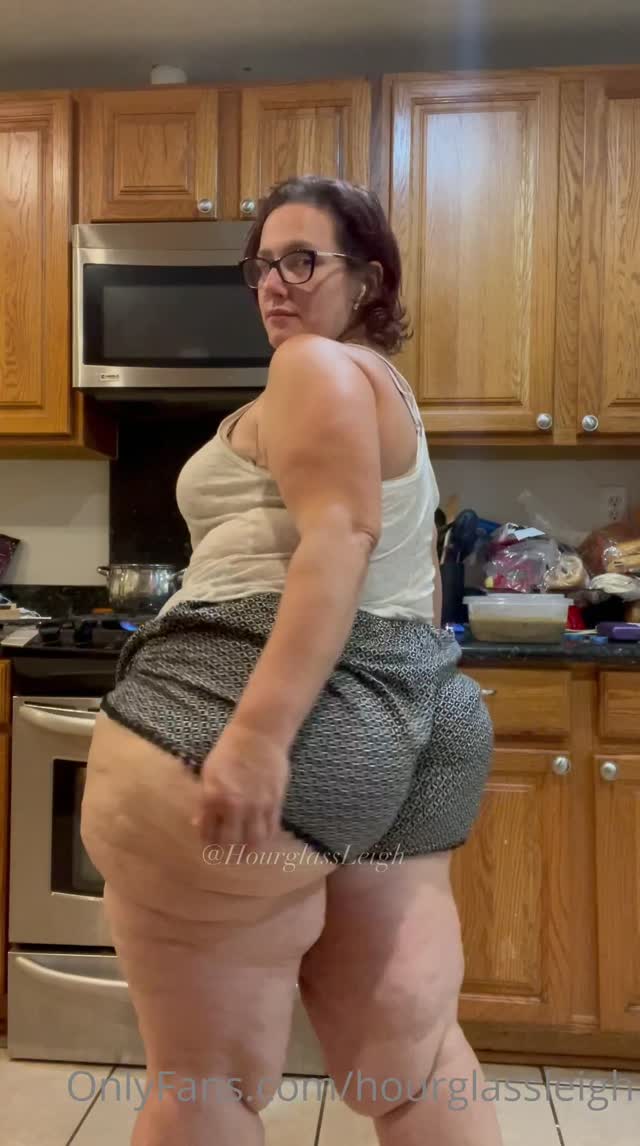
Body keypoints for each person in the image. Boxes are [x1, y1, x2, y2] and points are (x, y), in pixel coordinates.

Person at [80, 175, 500, 1146]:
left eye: (303, 260)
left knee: (205, 1082)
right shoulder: (383, 390)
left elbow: (340, 535)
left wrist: (261, 736)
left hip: (258, 706)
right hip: (411, 712)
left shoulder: (311, 366)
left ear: (369, 280)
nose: (275, 283)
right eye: (263, 263)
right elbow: (403, 572)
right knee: (411, 1061)